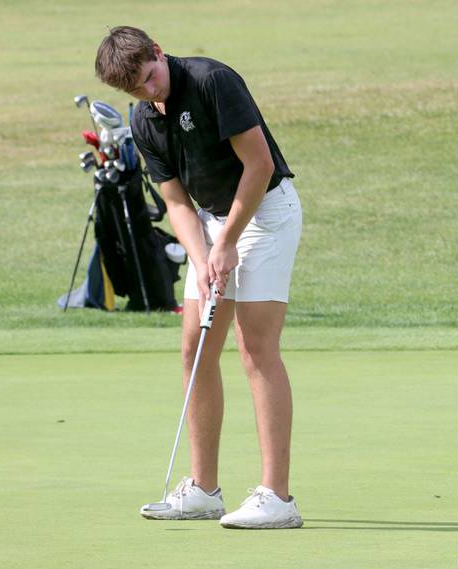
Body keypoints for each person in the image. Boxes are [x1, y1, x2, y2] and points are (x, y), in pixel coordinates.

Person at [95, 26, 303, 529]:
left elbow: (259, 164)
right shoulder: (144, 119)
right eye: (135, 90)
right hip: (212, 225)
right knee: (195, 349)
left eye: (149, 77)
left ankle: (277, 497)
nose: (148, 92)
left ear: (159, 54)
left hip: (266, 216)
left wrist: (228, 241)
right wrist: (204, 254)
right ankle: (204, 489)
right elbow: (174, 201)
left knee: (255, 349)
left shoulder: (212, 81)